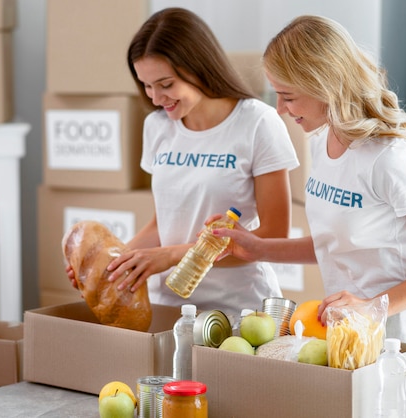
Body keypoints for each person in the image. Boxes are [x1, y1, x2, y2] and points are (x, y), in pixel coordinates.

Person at [211, 15, 406, 346]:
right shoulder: (322, 143)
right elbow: (336, 243)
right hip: (352, 334)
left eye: (288, 96)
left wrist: (373, 308)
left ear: (323, 85)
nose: (280, 109)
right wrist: (259, 248)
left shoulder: (388, 157)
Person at [67, 7, 299, 319]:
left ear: (199, 67)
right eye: (146, 85)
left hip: (240, 312)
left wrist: (173, 256)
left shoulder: (258, 123)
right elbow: (163, 222)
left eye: (166, 84)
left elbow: (273, 236)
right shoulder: (158, 127)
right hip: (171, 310)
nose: (155, 97)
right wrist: (113, 266)